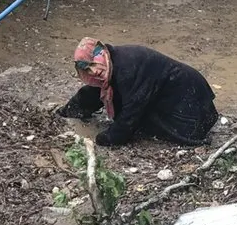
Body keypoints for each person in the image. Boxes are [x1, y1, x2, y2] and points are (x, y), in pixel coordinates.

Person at [57, 38, 219, 147]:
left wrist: (107, 138)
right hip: (181, 94)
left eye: (94, 64)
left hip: (189, 103)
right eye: (87, 69)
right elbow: (94, 92)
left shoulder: (127, 68)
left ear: (102, 54)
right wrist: (68, 111)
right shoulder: (112, 63)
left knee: (150, 127)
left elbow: (131, 113)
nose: (94, 71)